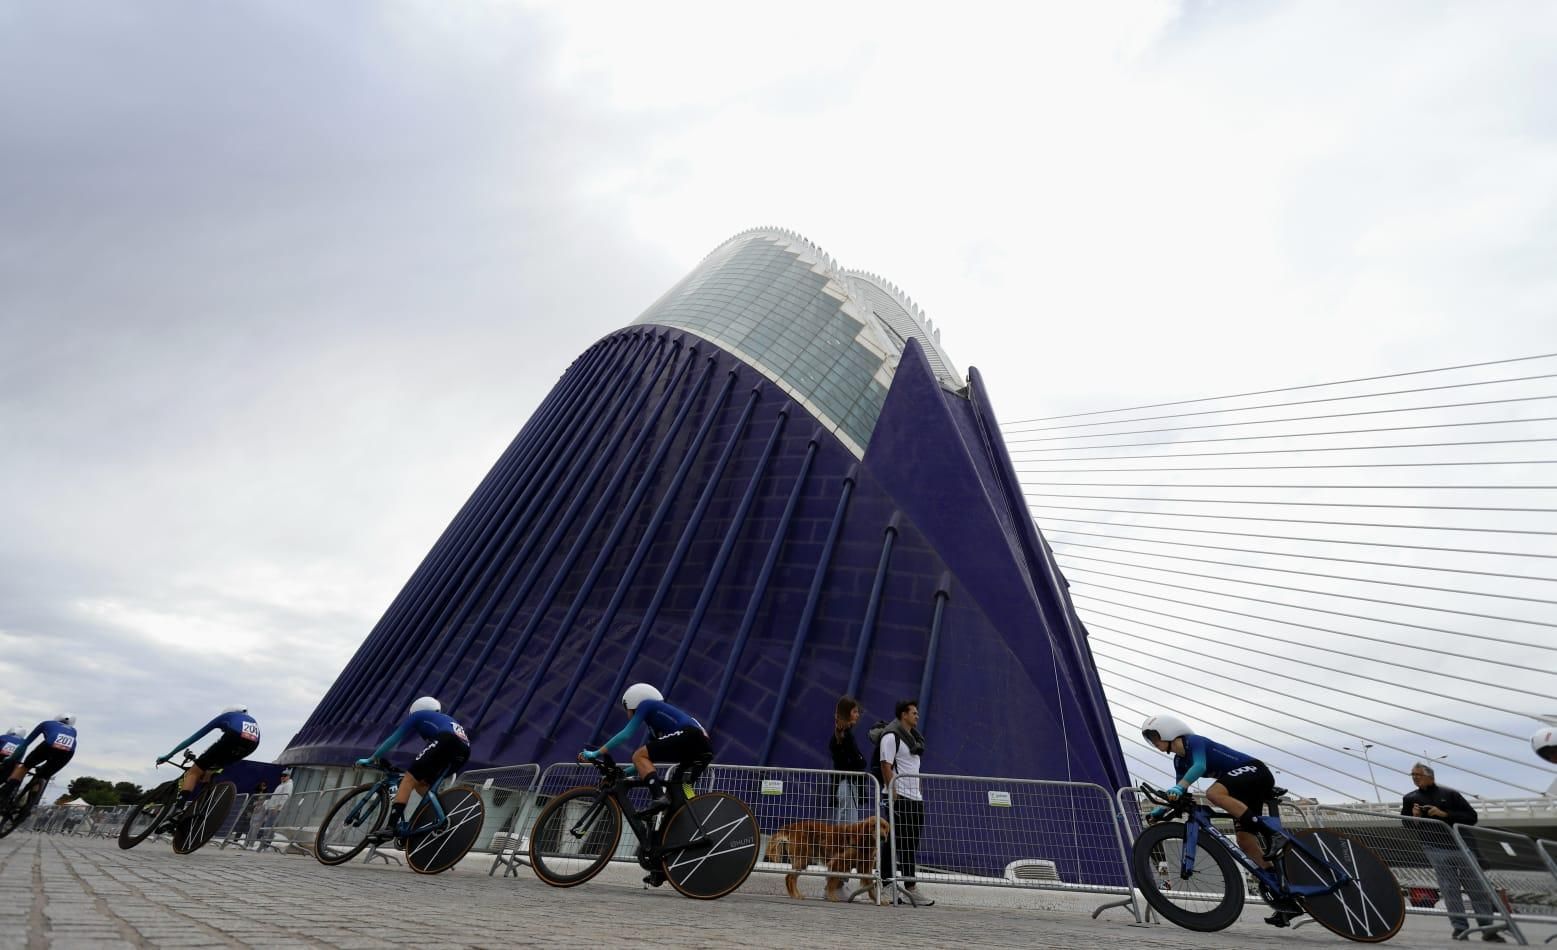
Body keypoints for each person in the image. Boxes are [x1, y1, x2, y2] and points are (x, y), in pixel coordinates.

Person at [1140, 713, 1297, 927]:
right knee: (1245, 841)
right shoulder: (1179, 761)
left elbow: (1199, 767)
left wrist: (1179, 787)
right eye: (1149, 739)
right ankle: (1282, 893)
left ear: (1168, 731)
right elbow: (1179, 792)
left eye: (1154, 736)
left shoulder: (1194, 742)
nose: (1153, 742)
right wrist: (1159, 811)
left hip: (1255, 771)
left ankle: (1275, 834)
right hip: (1240, 788)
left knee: (1214, 794)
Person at [581, 683, 711, 887]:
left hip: (691, 737)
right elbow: (644, 763)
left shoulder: (647, 705)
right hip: (700, 750)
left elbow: (626, 735)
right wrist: (622, 774)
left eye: (627, 709)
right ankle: (662, 865)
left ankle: (659, 797)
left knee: (639, 754)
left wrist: (596, 754)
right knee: (678, 798)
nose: (628, 713)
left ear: (633, 702)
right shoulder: (658, 726)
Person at [1401, 762, 1505, 942]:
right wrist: (1415, 817)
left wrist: (1444, 815)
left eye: (1418, 774)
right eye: (1412, 775)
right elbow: (1407, 824)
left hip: (1461, 847)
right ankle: (1459, 928)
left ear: (1430, 776)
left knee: (1476, 887)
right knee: (1450, 889)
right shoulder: (1410, 798)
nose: (1415, 778)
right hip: (1434, 848)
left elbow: (1472, 817)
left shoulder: (1450, 794)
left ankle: (1488, 929)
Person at [356, 697, 469, 844]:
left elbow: (393, 739)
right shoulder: (446, 719)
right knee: (421, 784)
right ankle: (439, 816)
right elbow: (429, 755)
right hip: (464, 751)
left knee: (408, 779)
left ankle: (390, 828)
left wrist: (372, 758)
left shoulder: (418, 716)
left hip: (447, 741)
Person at [155, 707, 260, 820]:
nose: (222, 731)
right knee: (209, 772)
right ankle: (202, 807)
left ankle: (178, 809)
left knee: (193, 772)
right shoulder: (252, 721)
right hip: (252, 745)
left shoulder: (226, 716)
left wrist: (169, 755)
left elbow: (193, 738)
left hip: (233, 737)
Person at [878, 698, 933, 907]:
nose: (917, 716)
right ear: (904, 715)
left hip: (915, 798)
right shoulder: (891, 737)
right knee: (894, 840)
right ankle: (885, 884)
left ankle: (911, 886)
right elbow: (886, 765)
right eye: (914, 713)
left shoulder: (914, 739)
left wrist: (918, 789)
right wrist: (894, 792)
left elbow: (912, 767)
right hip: (899, 796)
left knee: (911, 843)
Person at [0, 715, 78, 808]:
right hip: (68, 753)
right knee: (43, 776)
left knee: (25, 767)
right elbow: (63, 747)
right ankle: (29, 805)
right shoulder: (73, 731)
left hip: (48, 746)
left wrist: (13, 759)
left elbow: (26, 744)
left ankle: (5, 793)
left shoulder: (46, 723)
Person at [829, 696, 867, 823]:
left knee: (847, 822)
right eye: (854, 712)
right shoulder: (845, 736)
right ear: (846, 713)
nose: (857, 715)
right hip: (847, 784)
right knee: (848, 824)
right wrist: (860, 760)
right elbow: (857, 761)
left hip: (847, 784)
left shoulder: (844, 735)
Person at [253, 769, 293, 851]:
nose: (282, 777)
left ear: (288, 777)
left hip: (276, 809)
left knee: (269, 827)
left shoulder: (288, 785)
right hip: (272, 808)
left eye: (285, 776)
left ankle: (265, 845)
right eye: (282, 775)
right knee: (268, 826)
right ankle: (265, 844)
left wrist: (278, 807)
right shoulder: (282, 785)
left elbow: (285, 797)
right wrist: (268, 805)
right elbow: (275, 796)